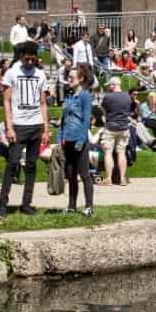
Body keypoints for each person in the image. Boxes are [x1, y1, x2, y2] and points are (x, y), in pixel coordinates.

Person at [0, 42, 49, 218]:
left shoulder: (41, 74)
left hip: (36, 125)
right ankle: (2, 205)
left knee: (32, 165)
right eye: (26, 58)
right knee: (12, 163)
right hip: (18, 126)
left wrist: (46, 129)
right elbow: (6, 101)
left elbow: (43, 103)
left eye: (32, 58)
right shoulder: (12, 73)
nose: (29, 61)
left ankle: (26, 204)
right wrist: (9, 126)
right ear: (21, 56)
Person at [60, 64, 95, 216]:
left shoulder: (85, 96)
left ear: (81, 79)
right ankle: (72, 205)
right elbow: (64, 119)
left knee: (84, 174)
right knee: (70, 174)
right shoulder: (69, 96)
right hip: (67, 140)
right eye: (68, 77)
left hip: (79, 140)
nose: (69, 80)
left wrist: (81, 141)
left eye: (71, 78)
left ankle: (88, 206)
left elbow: (86, 120)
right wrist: (60, 138)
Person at [100, 77, 131, 186]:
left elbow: (103, 109)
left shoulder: (108, 96)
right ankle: (122, 178)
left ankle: (109, 178)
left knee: (108, 153)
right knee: (122, 153)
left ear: (113, 85)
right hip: (124, 127)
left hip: (110, 127)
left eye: (109, 85)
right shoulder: (127, 96)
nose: (109, 87)